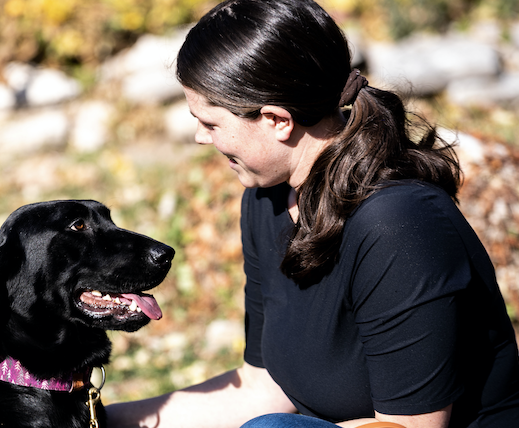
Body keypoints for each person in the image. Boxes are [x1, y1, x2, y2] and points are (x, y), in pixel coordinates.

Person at [104, 0, 519, 427]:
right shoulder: (266, 199)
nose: (200, 138)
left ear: (276, 119)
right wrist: (97, 420)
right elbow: (263, 389)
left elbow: (409, 426)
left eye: (210, 123)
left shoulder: (398, 224)